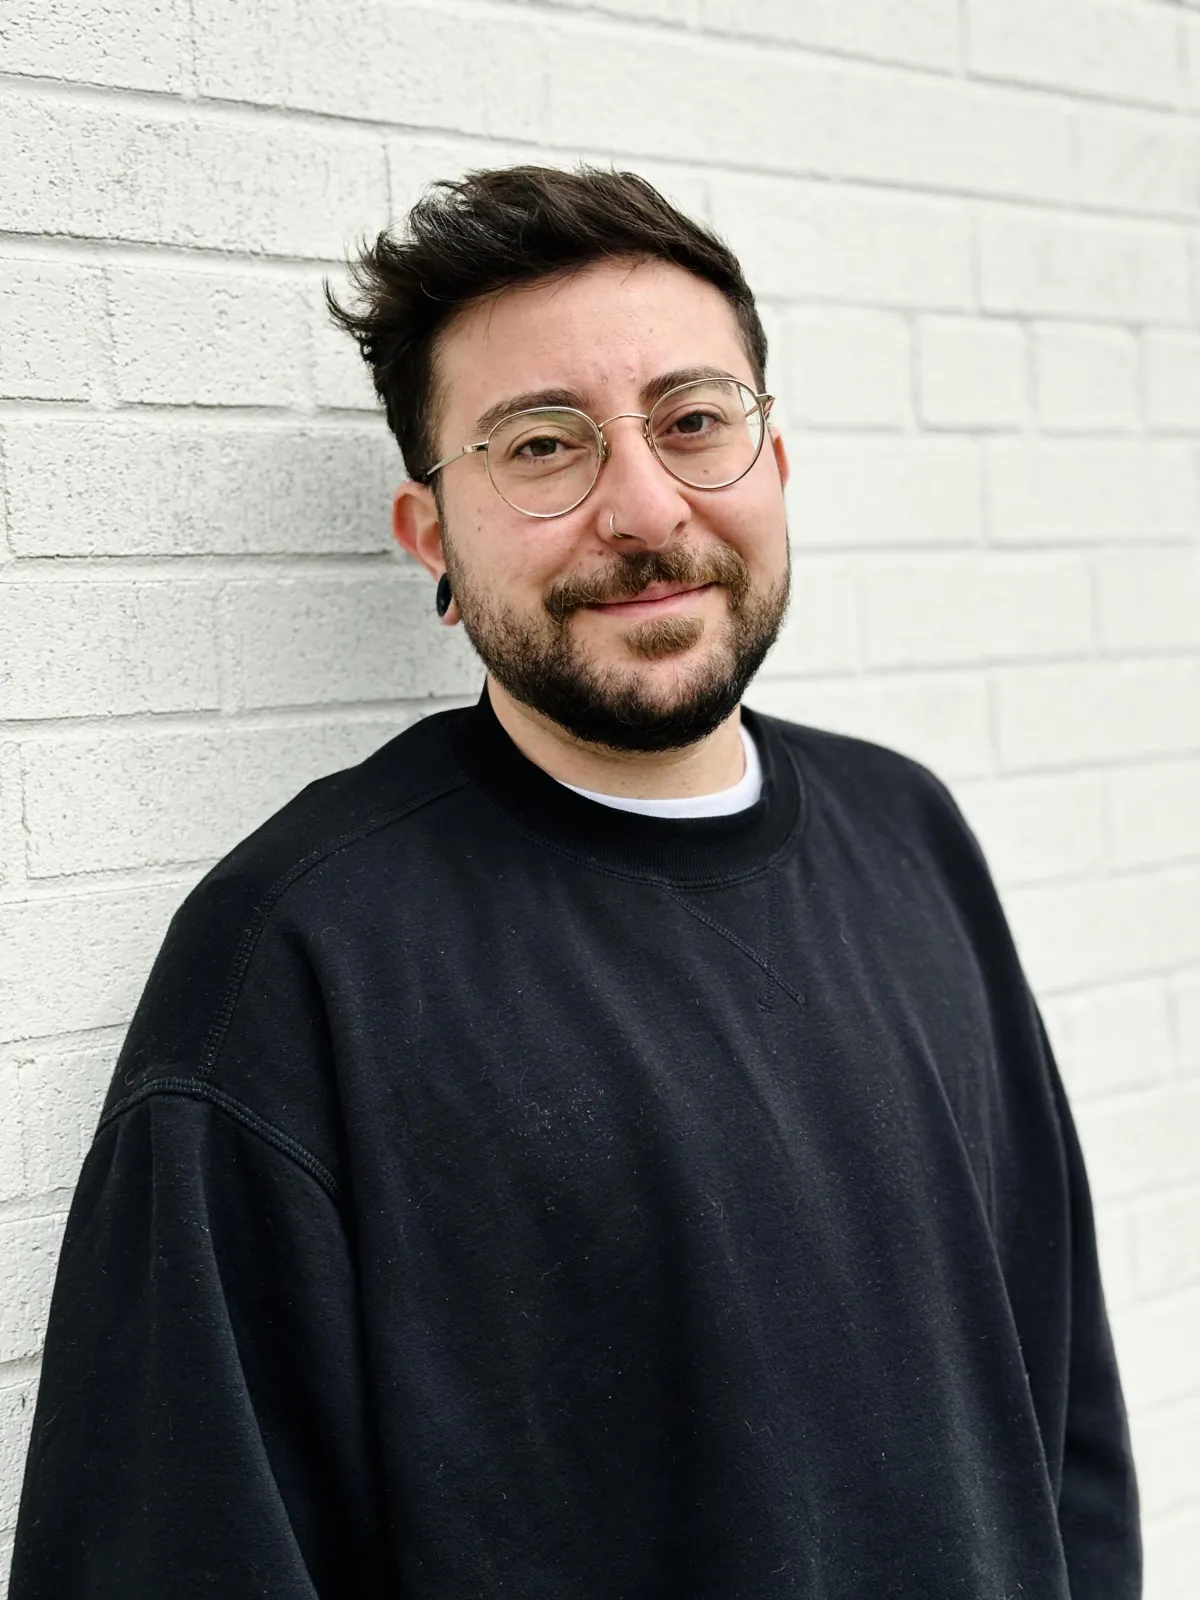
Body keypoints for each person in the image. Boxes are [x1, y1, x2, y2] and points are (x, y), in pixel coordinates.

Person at [11, 166, 1140, 1599]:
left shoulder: (909, 834)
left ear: (772, 467)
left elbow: (1060, 1406)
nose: (644, 506)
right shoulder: (300, 960)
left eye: (693, 422)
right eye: (542, 446)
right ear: (432, 537)